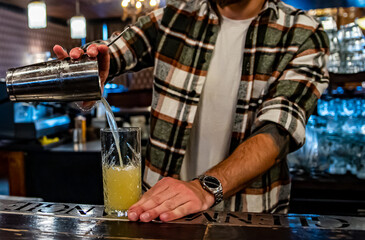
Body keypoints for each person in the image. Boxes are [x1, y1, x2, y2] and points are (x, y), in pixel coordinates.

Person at [54, 0, 329, 222]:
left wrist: (204, 187)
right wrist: (92, 64)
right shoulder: (173, 17)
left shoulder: (302, 33)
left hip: (249, 216)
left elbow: (278, 130)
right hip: (159, 214)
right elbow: (116, 49)